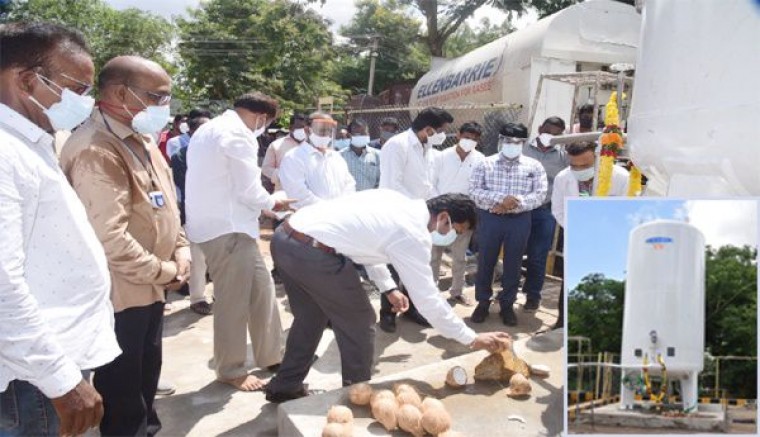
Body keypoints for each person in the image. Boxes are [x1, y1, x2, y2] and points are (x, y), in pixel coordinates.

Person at [264, 190, 512, 403]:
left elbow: (366, 247)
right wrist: (471, 338)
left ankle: (284, 387)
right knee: (360, 321)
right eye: (457, 230)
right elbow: (428, 300)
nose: (454, 237)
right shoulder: (414, 234)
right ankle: (357, 395)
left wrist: (389, 288)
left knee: (310, 318)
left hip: (286, 237)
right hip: (315, 253)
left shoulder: (396, 201)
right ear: (444, 217)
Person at [0, 22, 121, 437]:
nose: (84, 102)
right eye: (77, 89)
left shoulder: (28, 140)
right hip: (32, 380)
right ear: (26, 81)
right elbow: (2, 283)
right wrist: (60, 379)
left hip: (44, 368)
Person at [59, 55, 189, 436]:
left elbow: (166, 203)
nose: (165, 107)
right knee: (123, 393)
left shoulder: (141, 139)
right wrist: (165, 271)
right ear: (120, 94)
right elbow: (110, 238)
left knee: (146, 378)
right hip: (121, 294)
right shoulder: (96, 148)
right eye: (157, 97)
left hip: (151, 286)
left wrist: (181, 248)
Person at [184, 92, 292, 392]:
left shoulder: (208, 129)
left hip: (223, 226)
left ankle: (272, 354)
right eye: (266, 123)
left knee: (262, 290)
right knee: (233, 302)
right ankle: (230, 369)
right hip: (228, 229)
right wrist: (274, 202)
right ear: (261, 117)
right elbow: (248, 190)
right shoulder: (238, 135)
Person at [377, 107, 453, 332]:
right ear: (428, 129)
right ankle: (388, 312)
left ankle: (412, 308)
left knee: (416, 265)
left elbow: (426, 184)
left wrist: (438, 204)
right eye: (441, 131)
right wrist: (421, 206)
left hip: (419, 217)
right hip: (397, 216)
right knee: (392, 266)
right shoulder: (397, 146)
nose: (443, 135)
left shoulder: (426, 147)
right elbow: (392, 185)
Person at [469, 122, 548, 327]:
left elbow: (540, 194)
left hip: (519, 219)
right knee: (486, 261)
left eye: (517, 142)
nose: (512, 145)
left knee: (514, 263)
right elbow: (474, 191)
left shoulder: (534, 166)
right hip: (490, 218)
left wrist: (515, 204)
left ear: (523, 143)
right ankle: (483, 302)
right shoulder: (485, 163)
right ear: (500, 141)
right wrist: (501, 200)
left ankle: (507, 304)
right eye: (508, 141)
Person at [551, 142, 629, 328]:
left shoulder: (620, 177)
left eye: (585, 165)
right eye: (574, 165)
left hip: (608, 238)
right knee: (571, 279)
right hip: (577, 235)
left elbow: (626, 207)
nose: (579, 169)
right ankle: (562, 323)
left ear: (597, 156)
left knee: (603, 279)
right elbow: (558, 209)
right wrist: (578, 227)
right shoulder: (563, 178)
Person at [429, 122, 485, 306]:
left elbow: (479, 188)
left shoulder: (480, 160)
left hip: (464, 218)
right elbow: (431, 183)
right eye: (467, 137)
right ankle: (431, 293)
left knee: (460, 258)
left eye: (474, 139)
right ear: (458, 135)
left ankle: (456, 292)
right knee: (433, 256)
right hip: (440, 215)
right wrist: (440, 209)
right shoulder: (442, 156)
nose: (470, 141)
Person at [521, 117, 568, 312]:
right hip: (520, 209)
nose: (551, 136)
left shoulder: (563, 158)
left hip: (544, 211)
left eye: (556, 135)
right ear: (540, 129)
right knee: (514, 251)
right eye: (548, 131)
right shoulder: (522, 149)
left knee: (538, 255)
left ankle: (533, 295)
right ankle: (508, 291)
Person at [171, 113, 213, 316]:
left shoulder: (218, 152)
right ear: (192, 132)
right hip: (194, 213)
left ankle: (221, 295)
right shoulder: (180, 156)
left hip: (219, 213)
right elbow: (187, 184)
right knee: (197, 259)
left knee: (221, 258)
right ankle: (197, 298)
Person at [279, 112, 356, 209]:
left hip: (340, 214)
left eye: (329, 131)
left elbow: (349, 184)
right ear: (307, 130)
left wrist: (341, 208)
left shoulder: (336, 157)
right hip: (309, 216)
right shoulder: (293, 158)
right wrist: (329, 209)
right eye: (322, 130)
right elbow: (299, 195)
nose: (326, 134)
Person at [261, 113, 307, 192]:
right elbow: (266, 168)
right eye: (298, 127)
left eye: (303, 127)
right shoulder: (276, 145)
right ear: (290, 128)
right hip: (283, 192)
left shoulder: (312, 146)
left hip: (308, 193)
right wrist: (282, 175)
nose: (302, 130)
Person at [340, 119, 380, 191]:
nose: (362, 136)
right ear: (350, 135)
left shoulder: (378, 155)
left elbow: (381, 181)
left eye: (364, 133)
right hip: (348, 197)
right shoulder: (340, 156)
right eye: (358, 134)